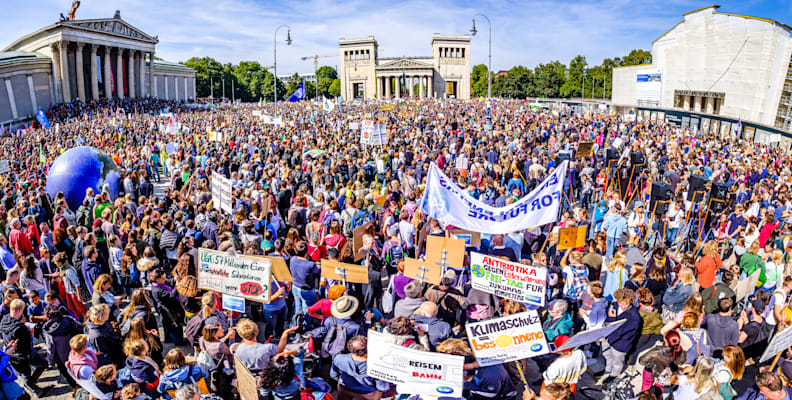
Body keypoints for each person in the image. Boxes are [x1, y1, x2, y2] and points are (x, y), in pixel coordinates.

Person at [0, 299, 51, 395]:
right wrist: (29, 332)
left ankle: (33, 386)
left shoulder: (4, 320)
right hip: (24, 355)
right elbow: (27, 344)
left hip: (12, 354)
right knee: (43, 364)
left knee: (25, 375)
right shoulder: (20, 328)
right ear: (20, 310)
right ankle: (35, 389)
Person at [598, 288, 642, 385]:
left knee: (617, 362)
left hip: (621, 343)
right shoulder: (615, 305)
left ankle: (614, 375)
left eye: (627, 303)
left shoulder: (635, 317)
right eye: (621, 303)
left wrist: (612, 320)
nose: (623, 306)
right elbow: (608, 321)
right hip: (608, 338)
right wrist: (606, 333)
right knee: (607, 355)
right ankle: (607, 371)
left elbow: (621, 331)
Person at [331, 335, 390, 400]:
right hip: (368, 394)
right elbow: (382, 387)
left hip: (345, 388)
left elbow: (333, 375)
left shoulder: (339, 358)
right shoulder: (377, 366)